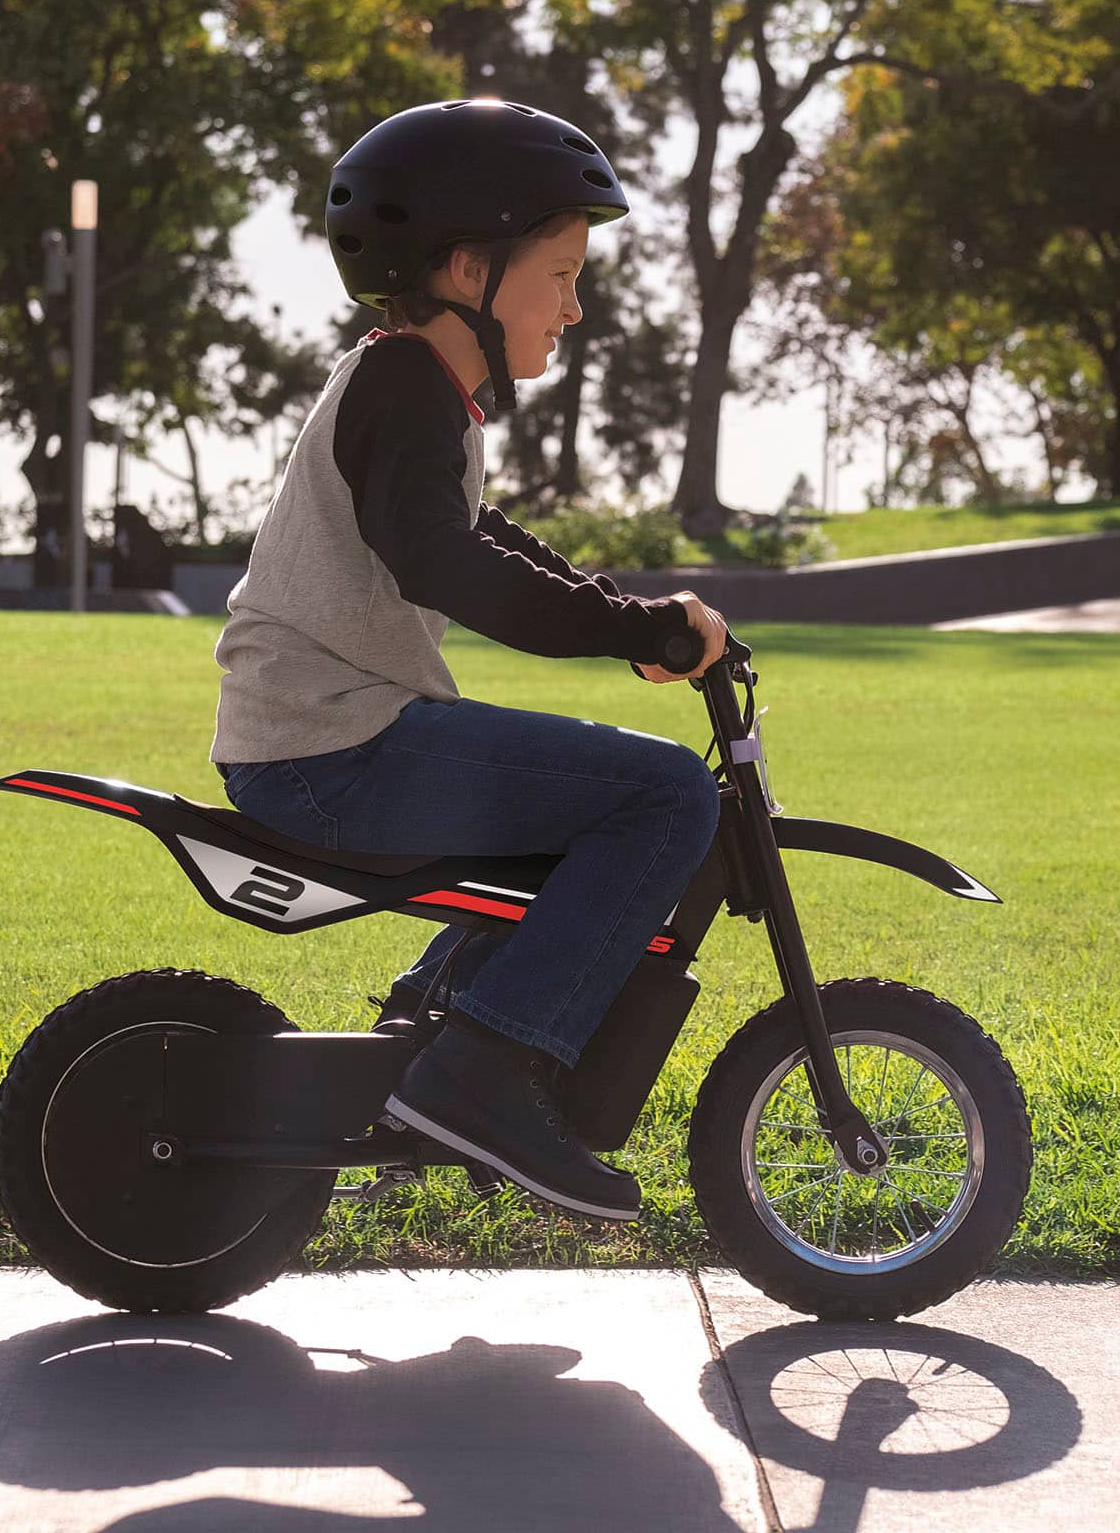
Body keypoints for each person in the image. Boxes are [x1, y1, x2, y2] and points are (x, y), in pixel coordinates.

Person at [207, 98, 731, 1223]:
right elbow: (442, 560)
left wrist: (631, 616)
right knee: (665, 796)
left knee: (590, 817)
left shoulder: (417, 393)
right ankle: (483, 1072)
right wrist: (634, 629)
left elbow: (480, 540)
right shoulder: (402, 387)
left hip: (331, 740)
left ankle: (426, 1040)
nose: (575, 307)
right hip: (331, 750)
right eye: (560, 273)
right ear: (466, 269)